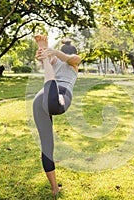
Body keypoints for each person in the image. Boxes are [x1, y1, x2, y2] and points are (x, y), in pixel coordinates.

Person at [33, 35, 81, 198]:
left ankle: (55, 189)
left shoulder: (74, 61)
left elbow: (71, 58)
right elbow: (49, 60)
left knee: (48, 147)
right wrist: (44, 56)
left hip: (43, 96)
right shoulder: (58, 60)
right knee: (47, 147)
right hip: (52, 96)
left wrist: (51, 53)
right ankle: (54, 188)